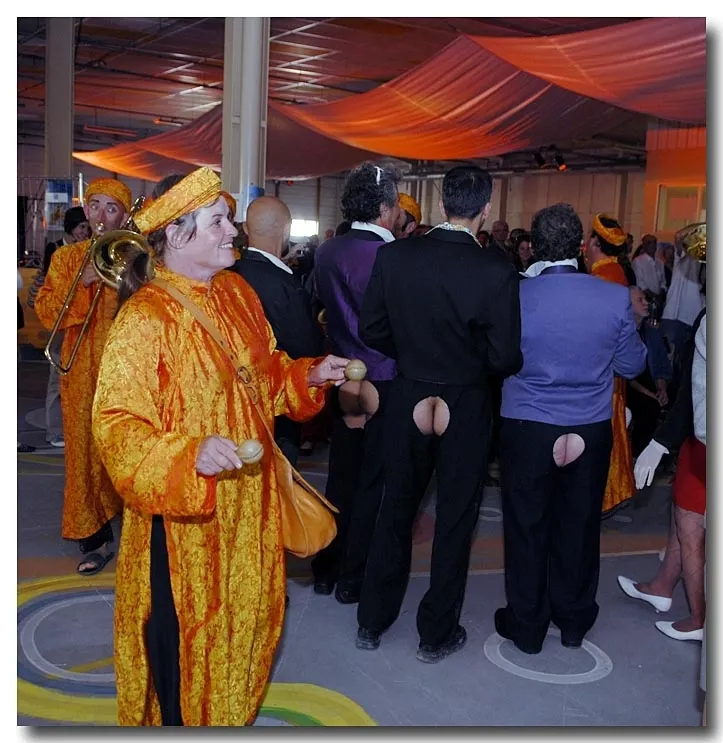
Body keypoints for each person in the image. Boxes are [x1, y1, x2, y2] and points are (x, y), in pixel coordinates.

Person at [91, 167, 348, 726]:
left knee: (247, 622)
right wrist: (188, 455)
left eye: (229, 219)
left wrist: (308, 376)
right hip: (183, 523)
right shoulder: (145, 318)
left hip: (249, 510)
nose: (234, 230)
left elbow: (267, 375)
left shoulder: (237, 293)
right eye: (218, 221)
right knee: (184, 641)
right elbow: (116, 427)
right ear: (176, 233)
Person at [356, 165, 523, 662]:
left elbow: (371, 328)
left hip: (410, 389)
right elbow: (505, 356)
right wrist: (469, 363)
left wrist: (411, 353)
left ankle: (371, 621)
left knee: (395, 509)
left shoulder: (395, 255)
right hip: (465, 397)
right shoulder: (496, 269)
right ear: (486, 209)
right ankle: (436, 634)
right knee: (455, 518)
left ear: (442, 203)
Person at [495, 203, 646, 655]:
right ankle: (574, 620)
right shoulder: (613, 297)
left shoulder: (515, 294)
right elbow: (632, 364)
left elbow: (496, 359)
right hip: (590, 423)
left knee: (526, 526)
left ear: (535, 246)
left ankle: (527, 625)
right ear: (580, 247)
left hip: (528, 423)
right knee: (579, 527)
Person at [310, 162, 400, 603]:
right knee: (373, 483)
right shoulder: (394, 256)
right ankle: (353, 578)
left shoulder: (328, 250)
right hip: (385, 377)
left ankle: (326, 569)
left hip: (342, 374)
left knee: (341, 475)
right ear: (385, 207)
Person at [34, 178, 132, 575]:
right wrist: (84, 283)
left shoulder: (138, 256)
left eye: (112, 208)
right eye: (95, 206)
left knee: (126, 449)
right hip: (80, 371)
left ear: (125, 216)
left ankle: (136, 527)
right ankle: (94, 537)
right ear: (86, 210)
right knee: (82, 455)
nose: (101, 215)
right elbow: (47, 314)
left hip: (127, 368)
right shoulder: (67, 258)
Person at [229, 195, 325, 466]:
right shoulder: (285, 285)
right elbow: (307, 347)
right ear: (286, 230)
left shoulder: (229, 273)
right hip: (276, 406)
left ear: (245, 228)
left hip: (232, 402)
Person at [584, 213, 636, 517]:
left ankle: (605, 494)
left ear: (594, 243)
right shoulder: (616, 272)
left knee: (604, 431)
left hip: (602, 370)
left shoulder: (603, 278)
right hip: (614, 368)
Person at [28, 206, 92, 448]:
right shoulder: (55, 249)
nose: (84, 231)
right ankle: (55, 430)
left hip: (80, 322)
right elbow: (48, 287)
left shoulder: (90, 249)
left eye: (86, 227)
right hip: (61, 321)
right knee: (57, 378)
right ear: (71, 227)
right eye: (81, 227)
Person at [627, 287, 672, 457]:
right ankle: (638, 454)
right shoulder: (624, 333)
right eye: (640, 300)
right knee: (649, 406)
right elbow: (625, 376)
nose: (646, 303)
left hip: (650, 381)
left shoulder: (651, 332)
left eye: (645, 299)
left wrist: (662, 389)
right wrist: (652, 395)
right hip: (631, 385)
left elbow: (661, 365)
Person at [632, 233, 666, 298]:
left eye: (654, 242)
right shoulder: (638, 261)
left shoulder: (660, 262)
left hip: (659, 299)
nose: (652, 245)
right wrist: (653, 297)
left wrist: (661, 292)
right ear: (644, 246)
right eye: (649, 243)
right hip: (645, 299)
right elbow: (640, 283)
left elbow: (663, 282)